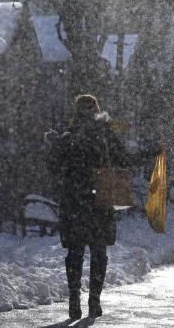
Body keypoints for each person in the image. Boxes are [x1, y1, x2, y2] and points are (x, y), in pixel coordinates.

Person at [46, 94, 127, 320]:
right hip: (99, 202)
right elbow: (124, 159)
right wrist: (153, 150)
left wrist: (52, 145)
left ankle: (74, 300)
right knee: (98, 253)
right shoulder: (105, 135)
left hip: (74, 203)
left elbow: (52, 167)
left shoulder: (68, 137)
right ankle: (94, 301)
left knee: (75, 253)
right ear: (96, 111)